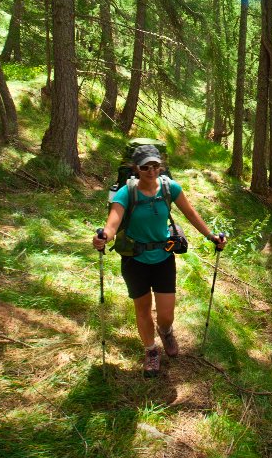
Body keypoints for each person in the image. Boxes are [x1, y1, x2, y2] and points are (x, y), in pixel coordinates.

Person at [92, 143, 226, 376]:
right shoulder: (126, 192)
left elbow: (191, 213)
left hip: (163, 257)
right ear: (137, 169)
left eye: (155, 166)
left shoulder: (169, 188)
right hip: (135, 259)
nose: (151, 171)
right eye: (146, 167)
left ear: (160, 166)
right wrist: (103, 237)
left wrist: (211, 237)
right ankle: (151, 351)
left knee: (166, 314)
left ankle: (165, 331)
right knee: (142, 308)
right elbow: (113, 221)